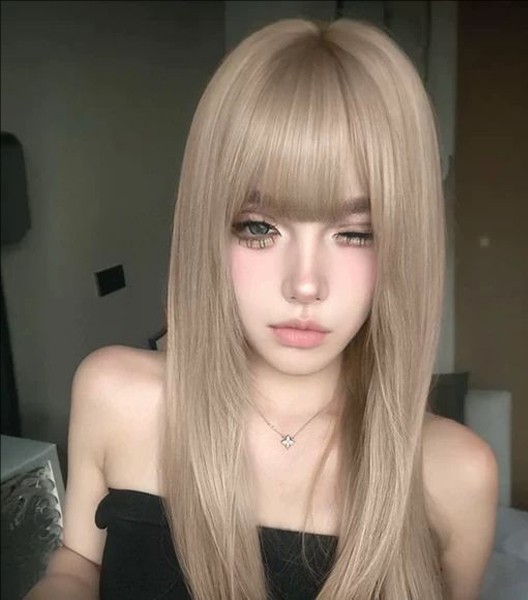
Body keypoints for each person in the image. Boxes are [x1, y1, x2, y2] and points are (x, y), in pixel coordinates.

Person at [25, 16, 498, 600]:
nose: (305, 285)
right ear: (208, 227)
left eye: (356, 233)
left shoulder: (456, 475)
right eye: (258, 227)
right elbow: (78, 563)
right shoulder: (116, 396)